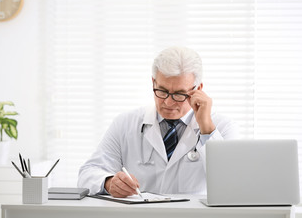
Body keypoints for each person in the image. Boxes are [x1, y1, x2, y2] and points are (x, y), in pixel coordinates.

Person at [77, 46, 237, 197]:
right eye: (162, 91)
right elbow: (88, 173)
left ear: (198, 90)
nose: (168, 102)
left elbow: (232, 185)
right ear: (153, 82)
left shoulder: (221, 126)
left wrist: (206, 129)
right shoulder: (125, 124)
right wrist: (108, 182)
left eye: (180, 94)